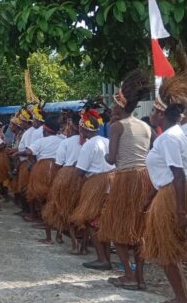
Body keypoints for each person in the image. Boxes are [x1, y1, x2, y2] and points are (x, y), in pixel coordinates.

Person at [142, 74, 187, 302]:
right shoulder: (176, 134)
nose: (151, 114)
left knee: (167, 252)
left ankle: (182, 299)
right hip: (176, 192)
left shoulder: (168, 138)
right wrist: (149, 199)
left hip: (175, 196)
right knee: (171, 251)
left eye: (153, 111)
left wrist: (179, 211)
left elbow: (177, 174)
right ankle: (182, 298)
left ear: (160, 113)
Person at [99, 70, 153, 291]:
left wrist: (106, 155)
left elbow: (111, 159)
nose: (111, 109)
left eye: (113, 106)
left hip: (125, 179)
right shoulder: (145, 126)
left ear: (120, 106)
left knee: (117, 228)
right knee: (139, 229)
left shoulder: (117, 126)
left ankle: (128, 275)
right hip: (144, 179)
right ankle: (140, 278)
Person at [71, 108, 115, 270]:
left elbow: (80, 171)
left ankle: (102, 259)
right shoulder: (107, 141)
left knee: (91, 221)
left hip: (96, 185)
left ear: (83, 129)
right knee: (104, 221)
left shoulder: (89, 145)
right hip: (112, 183)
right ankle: (107, 258)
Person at [13, 114, 64, 243]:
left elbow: (29, 152)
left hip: (43, 170)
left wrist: (17, 153)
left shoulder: (41, 141)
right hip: (59, 170)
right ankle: (59, 233)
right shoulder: (63, 139)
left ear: (45, 130)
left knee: (42, 200)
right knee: (56, 200)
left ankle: (48, 237)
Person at [42, 112, 84, 253]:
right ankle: (71, 240)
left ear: (71, 127)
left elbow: (58, 164)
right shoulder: (91, 141)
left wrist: (54, 180)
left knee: (62, 208)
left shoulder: (65, 142)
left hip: (67, 176)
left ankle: (74, 243)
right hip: (86, 179)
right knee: (79, 209)